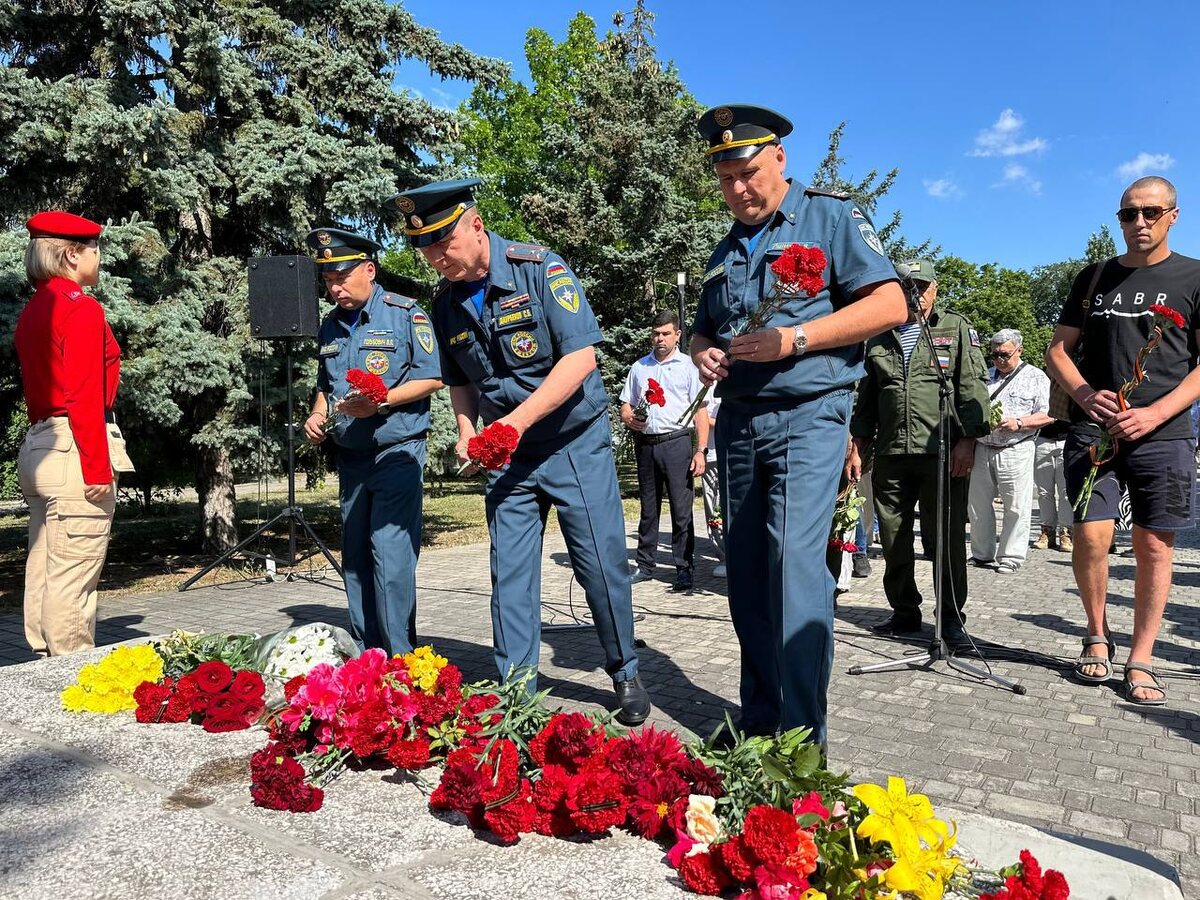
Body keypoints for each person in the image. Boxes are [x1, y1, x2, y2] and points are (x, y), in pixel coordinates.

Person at [388, 178, 651, 725]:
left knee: (599, 566)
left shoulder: (540, 269)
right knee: (509, 573)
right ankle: (517, 692)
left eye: (445, 240)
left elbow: (580, 360)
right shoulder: (447, 301)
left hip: (570, 442)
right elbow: (460, 378)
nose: (438, 256)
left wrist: (512, 422)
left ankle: (624, 669)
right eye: (427, 248)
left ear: (476, 224)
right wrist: (466, 430)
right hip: (508, 457)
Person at [690, 105, 908, 747]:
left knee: (793, 562)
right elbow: (708, 324)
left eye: (749, 173)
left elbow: (890, 302)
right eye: (726, 178)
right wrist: (703, 347)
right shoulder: (725, 248)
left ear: (779, 158)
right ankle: (759, 720)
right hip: (738, 422)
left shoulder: (831, 216)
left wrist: (797, 337)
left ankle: (800, 735)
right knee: (749, 568)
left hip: (811, 415)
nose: (738, 190)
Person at [1047, 175, 1200, 706]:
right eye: (1129, 214)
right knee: (1091, 536)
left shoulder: (1194, 278)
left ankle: (1142, 656)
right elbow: (1059, 350)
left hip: (1165, 433)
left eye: (1151, 213)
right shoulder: (1094, 278)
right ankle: (1095, 631)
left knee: (1154, 546)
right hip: (1095, 431)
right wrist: (1086, 394)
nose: (1139, 223)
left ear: (1173, 216)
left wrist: (1155, 412)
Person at [302, 227, 443, 657]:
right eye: (328, 280)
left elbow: (433, 376)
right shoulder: (330, 326)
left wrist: (381, 402)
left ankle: (401, 657)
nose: (336, 287)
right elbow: (327, 384)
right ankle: (368, 653)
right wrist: (317, 413)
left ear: (370, 268)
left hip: (397, 451)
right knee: (358, 557)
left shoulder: (406, 315)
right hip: (352, 456)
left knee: (391, 553)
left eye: (342, 277)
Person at [847, 260, 990, 648]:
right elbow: (867, 400)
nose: (915, 293)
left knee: (942, 540)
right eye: (907, 285)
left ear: (935, 289)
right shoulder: (877, 336)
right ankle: (904, 612)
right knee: (892, 538)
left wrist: (969, 440)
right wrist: (857, 446)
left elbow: (972, 387)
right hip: (892, 452)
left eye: (922, 285)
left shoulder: (954, 327)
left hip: (940, 451)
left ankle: (951, 621)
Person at [16, 211, 127, 656]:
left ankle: (42, 665)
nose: (99, 258)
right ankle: (72, 671)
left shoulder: (35, 307)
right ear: (71, 254)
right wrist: (97, 466)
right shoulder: (78, 306)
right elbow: (83, 393)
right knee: (74, 574)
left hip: (42, 444)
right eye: (94, 249)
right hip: (74, 447)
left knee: (45, 566)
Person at [621, 311, 709, 592]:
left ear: (677, 335)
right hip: (647, 444)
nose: (660, 339)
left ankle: (684, 568)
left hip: (677, 443)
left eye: (665, 334)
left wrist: (701, 451)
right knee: (648, 509)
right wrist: (627, 417)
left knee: (681, 512)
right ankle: (645, 565)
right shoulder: (640, 367)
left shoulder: (688, 367)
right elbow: (626, 403)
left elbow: (701, 411)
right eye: (656, 333)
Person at [968, 329, 1053, 574]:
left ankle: (1011, 556)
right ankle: (982, 554)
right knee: (978, 505)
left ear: (1019, 350)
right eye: (994, 355)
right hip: (983, 446)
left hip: (1016, 447)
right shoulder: (985, 375)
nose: (999, 360)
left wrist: (1019, 422)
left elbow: (1049, 414)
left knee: (1016, 506)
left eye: (1004, 354)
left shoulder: (1036, 377)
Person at [1032, 418, 1073, 552]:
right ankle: (1047, 531)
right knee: (1044, 492)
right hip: (1043, 438)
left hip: (1067, 438)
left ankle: (1066, 533)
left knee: (1066, 492)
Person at [701, 395, 726, 578]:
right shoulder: (703, 379)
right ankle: (724, 557)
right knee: (714, 507)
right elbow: (700, 413)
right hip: (712, 454)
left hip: (738, 452)